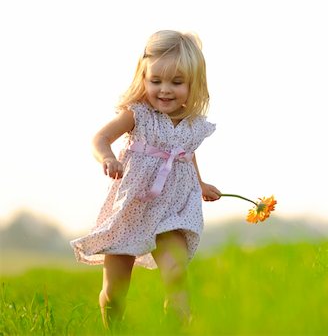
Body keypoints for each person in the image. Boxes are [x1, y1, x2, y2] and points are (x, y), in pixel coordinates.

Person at [70, 30, 221, 329]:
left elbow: (185, 153)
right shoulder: (138, 115)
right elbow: (100, 138)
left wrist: (200, 184)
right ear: (143, 78)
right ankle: (114, 327)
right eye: (156, 81)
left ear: (194, 84)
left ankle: (174, 325)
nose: (165, 90)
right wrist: (108, 158)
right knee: (116, 291)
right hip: (132, 208)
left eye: (176, 83)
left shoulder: (192, 125)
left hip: (173, 209)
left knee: (176, 271)